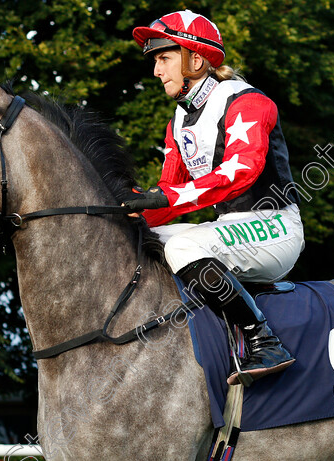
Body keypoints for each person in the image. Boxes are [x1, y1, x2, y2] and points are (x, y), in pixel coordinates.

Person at [128, 10, 305, 386]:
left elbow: (241, 172)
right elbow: (168, 195)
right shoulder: (178, 121)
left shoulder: (248, 102)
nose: (157, 71)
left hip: (274, 226)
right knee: (139, 243)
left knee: (184, 248)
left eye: (164, 58)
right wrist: (125, 214)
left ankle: (265, 340)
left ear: (195, 58)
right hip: (228, 228)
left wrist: (160, 200)